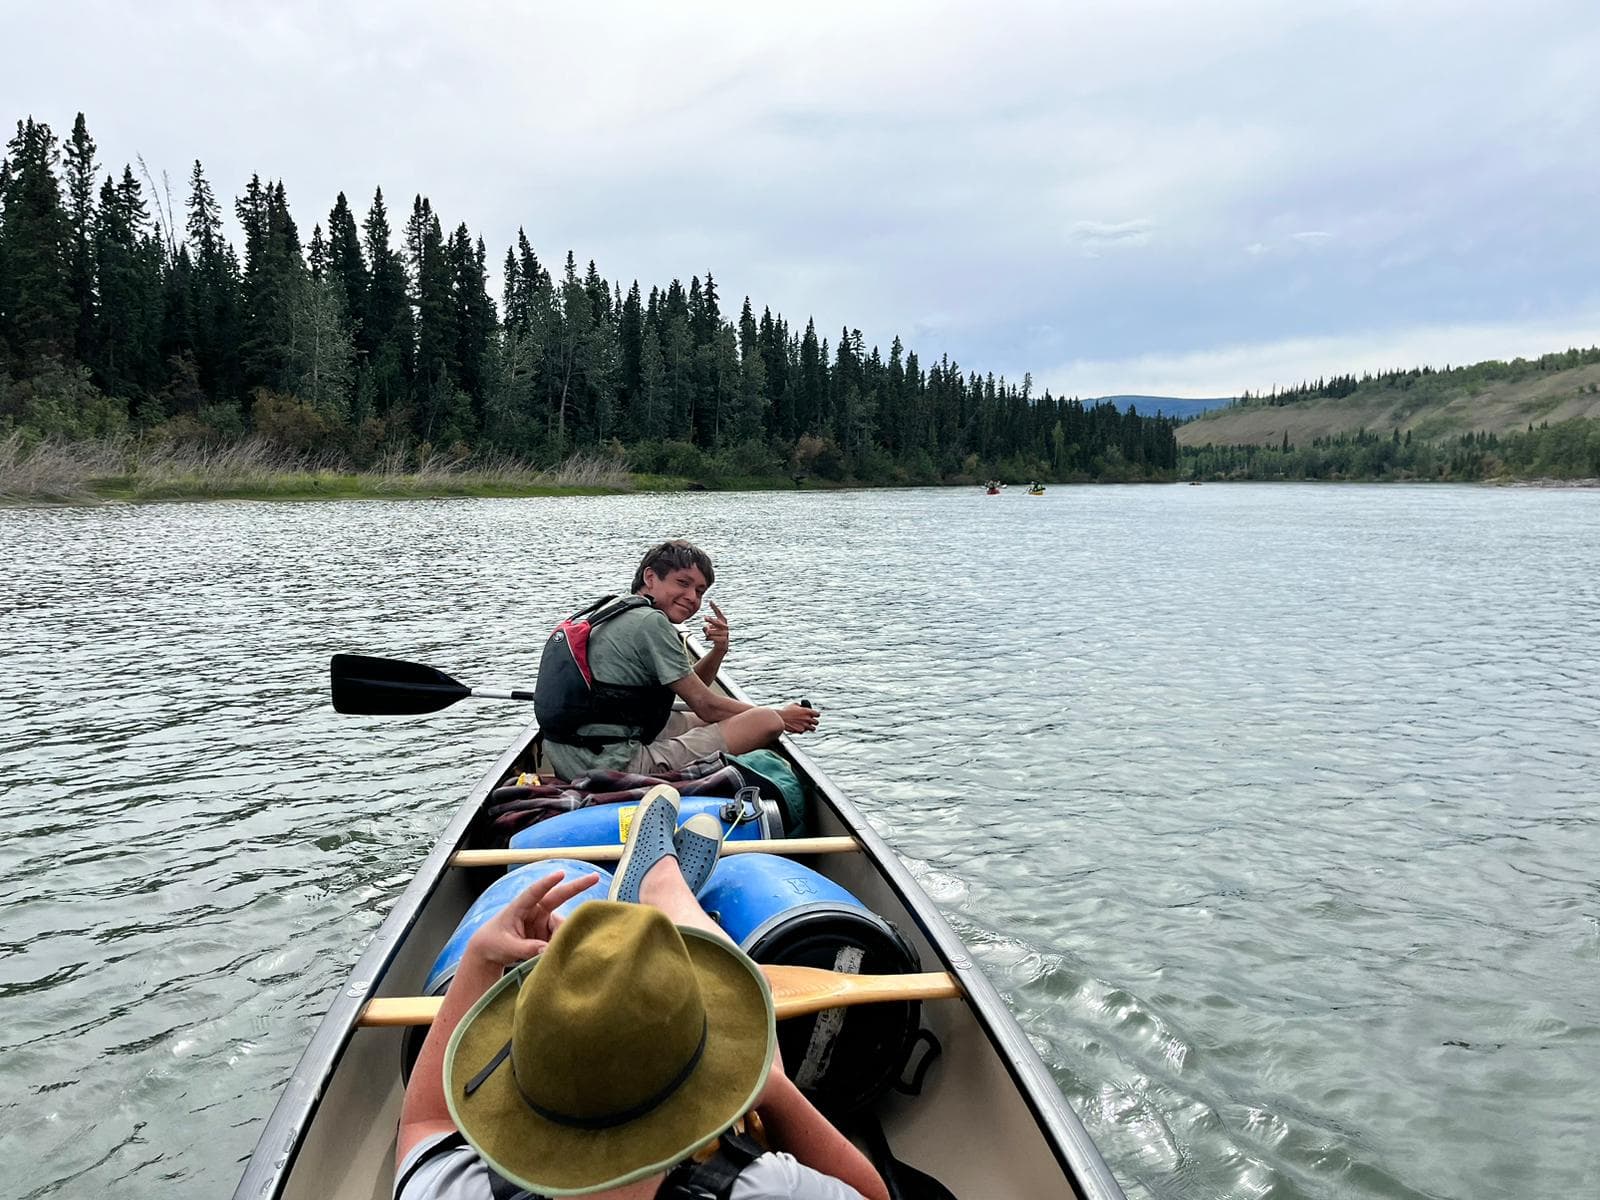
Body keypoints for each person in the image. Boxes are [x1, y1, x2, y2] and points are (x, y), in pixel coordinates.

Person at [395, 785, 889, 1200]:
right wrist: (775, 1089)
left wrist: (478, 958)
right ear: (708, 1089)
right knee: (750, 992)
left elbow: (426, 1123)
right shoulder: (762, 1189)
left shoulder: (456, 1189)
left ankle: (657, 888)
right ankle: (661, 888)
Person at [535, 540, 819, 783]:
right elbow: (706, 704)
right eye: (682, 583)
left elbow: (688, 690)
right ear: (650, 578)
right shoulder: (651, 623)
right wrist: (781, 716)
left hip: (576, 753)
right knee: (764, 720)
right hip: (611, 764)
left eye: (700, 591)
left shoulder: (613, 608)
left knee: (697, 718)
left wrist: (718, 650)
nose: (692, 598)